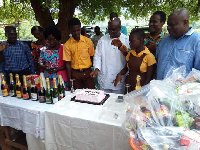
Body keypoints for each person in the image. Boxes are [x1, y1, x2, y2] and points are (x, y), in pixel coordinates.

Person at [156, 8, 200, 80]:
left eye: (172, 25)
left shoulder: (197, 41)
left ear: (185, 23)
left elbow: (198, 74)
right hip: (158, 89)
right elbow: (156, 64)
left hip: (181, 90)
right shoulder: (164, 41)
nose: (169, 28)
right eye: (168, 25)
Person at [91, 17, 129, 94]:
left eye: (114, 29)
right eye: (109, 29)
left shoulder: (126, 40)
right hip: (105, 78)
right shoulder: (102, 40)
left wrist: (121, 46)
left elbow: (130, 57)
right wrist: (96, 69)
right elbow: (98, 56)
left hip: (119, 79)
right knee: (104, 101)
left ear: (120, 28)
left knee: (117, 103)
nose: (111, 32)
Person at [63, 18, 95, 90]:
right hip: (75, 74)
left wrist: (93, 70)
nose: (76, 33)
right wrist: (69, 79)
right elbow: (68, 63)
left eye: (78, 30)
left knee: (91, 95)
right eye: (74, 31)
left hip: (87, 73)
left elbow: (92, 57)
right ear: (70, 30)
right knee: (77, 96)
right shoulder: (67, 45)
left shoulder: (88, 41)